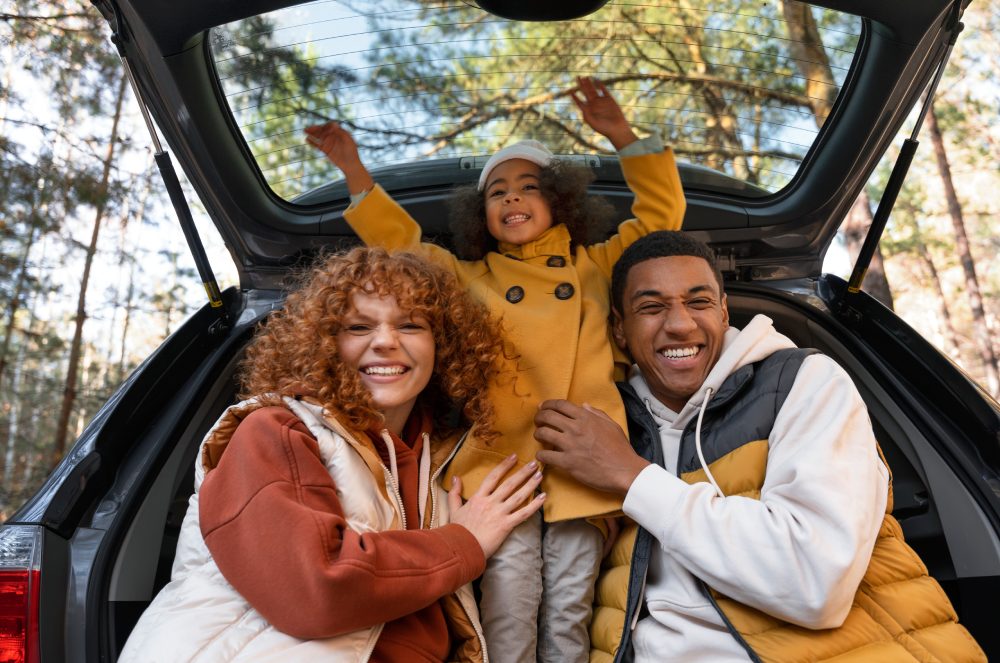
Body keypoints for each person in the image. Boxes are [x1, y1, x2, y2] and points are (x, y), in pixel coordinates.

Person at [305, 77, 686, 663]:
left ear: (560, 202)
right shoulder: (468, 276)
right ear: (480, 215)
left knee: (567, 612)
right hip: (500, 469)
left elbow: (662, 218)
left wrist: (622, 136)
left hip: (582, 466)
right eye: (497, 192)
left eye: (528, 187)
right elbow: (399, 243)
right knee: (507, 604)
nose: (511, 199)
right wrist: (354, 168)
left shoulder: (595, 266)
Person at [534, 231, 986, 662]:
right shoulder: (602, 426)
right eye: (651, 307)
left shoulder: (805, 382)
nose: (679, 324)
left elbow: (815, 582)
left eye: (700, 302)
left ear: (725, 313)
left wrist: (631, 477)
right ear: (618, 329)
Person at [119, 247, 546, 663]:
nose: (385, 342)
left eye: (411, 325)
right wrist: (464, 543)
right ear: (324, 343)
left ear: (443, 346)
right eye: (359, 327)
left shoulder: (443, 466)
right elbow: (313, 590)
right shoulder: (276, 431)